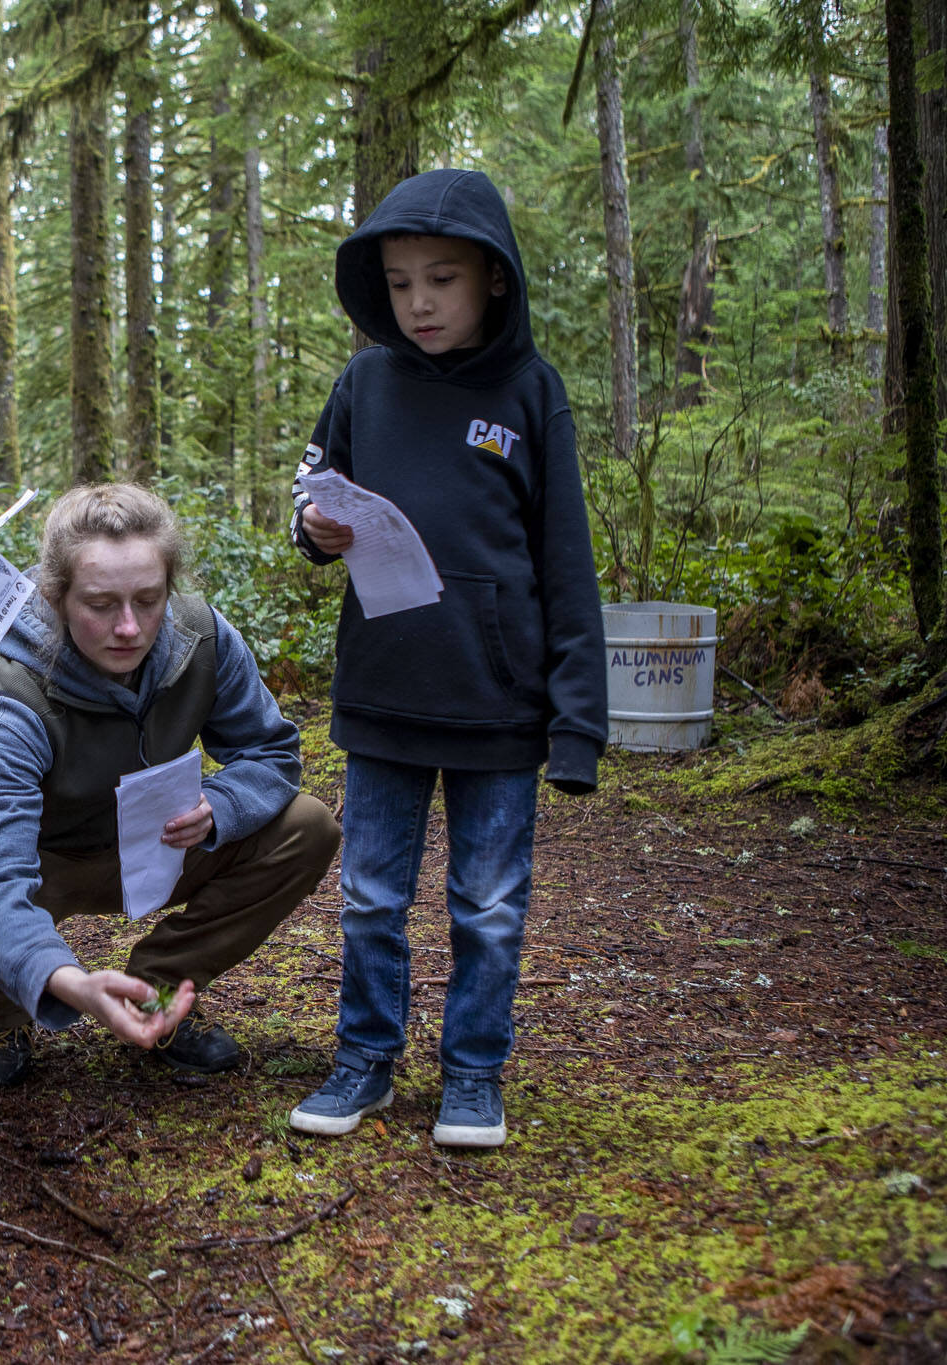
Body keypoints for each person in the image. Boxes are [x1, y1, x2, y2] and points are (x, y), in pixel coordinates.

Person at [285, 169, 607, 1149]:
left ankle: (472, 1072)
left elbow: (565, 562)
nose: (417, 303)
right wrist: (313, 531)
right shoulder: (361, 385)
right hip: (383, 694)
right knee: (370, 898)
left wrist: (574, 724)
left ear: (491, 281)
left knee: (488, 905)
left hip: (498, 706)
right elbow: (313, 497)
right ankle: (364, 1062)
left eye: (440, 279)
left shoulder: (527, 391)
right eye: (397, 283)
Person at [0, 484, 340, 1089]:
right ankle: (8, 1014)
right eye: (100, 604)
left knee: (307, 827)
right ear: (55, 598)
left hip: (158, 845)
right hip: (39, 861)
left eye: (149, 598)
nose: (129, 627)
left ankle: (156, 993)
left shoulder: (203, 641)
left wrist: (221, 805)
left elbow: (270, 750)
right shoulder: (10, 702)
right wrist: (70, 983)